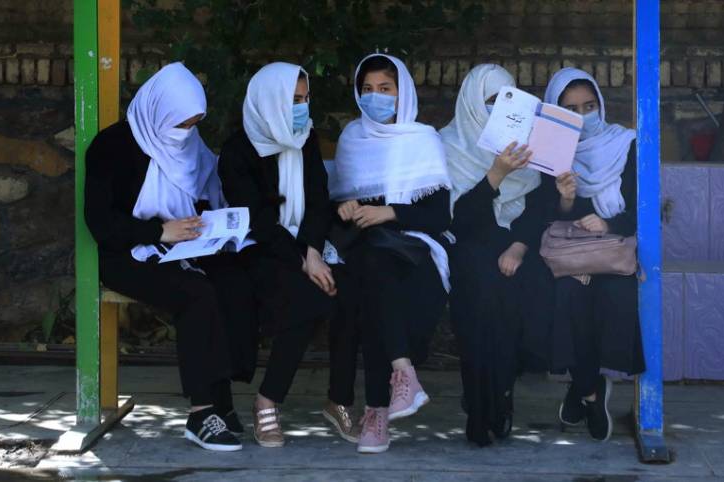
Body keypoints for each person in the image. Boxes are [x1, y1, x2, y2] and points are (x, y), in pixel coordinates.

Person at [84, 62, 257, 452]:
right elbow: (101, 222)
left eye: (193, 124)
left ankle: (223, 402)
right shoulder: (112, 147)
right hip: (124, 254)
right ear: (159, 110)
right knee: (195, 292)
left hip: (182, 246)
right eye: (180, 124)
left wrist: (210, 229)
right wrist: (159, 231)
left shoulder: (190, 144)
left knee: (232, 280)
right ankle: (201, 411)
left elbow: (201, 195)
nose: (186, 134)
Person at [218, 62, 361, 447]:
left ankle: (339, 400)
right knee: (309, 299)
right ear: (270, 101)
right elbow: (257, 220)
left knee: (346, 292)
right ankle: (268, 398)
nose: (301, 107)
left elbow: (317, 199)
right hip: (258, 250)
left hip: (306, 242)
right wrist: (302, 260)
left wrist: (312, 251)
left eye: (305, 98)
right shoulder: (237, 152)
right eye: (293, 100)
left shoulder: (305, 137)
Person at [330, 53, 452, 454]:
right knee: (371, 273)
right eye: (367, 90)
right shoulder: (352, 137)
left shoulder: (422, 139)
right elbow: (337, 205)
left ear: (403, 95)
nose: (375, 97)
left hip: (413, 247)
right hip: (365, 249)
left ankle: (378, 410)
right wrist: (344, 208)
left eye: (386, 89)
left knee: (376, 278)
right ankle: (399, 381)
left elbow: (437, 216)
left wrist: (391, 212)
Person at [440, 64, 555, 446]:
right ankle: (480, 406)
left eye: (508, 101)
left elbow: (539, 206)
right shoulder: (447, 145)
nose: (498, 110)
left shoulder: (530, 147)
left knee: (523, 294)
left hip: (517, 243)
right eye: (491, 101)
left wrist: (520, 246)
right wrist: (496, 174)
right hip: (470, 244)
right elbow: (457, 221)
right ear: (473, 103)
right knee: (482, 293)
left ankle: (501, 392)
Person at [542, 67, 645, 442]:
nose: (583, 116)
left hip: (616, 248)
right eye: (570, 109)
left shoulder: (627, 144)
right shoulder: (552, 152)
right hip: (572, 252)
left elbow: (641, 207)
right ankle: (590, 389)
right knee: (568, 292)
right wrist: (566, 199)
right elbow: (547, 213)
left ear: (601, 104)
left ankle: (580, 388)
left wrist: (608, 223)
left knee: (611, 293)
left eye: (589, 105)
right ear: (556, 113)